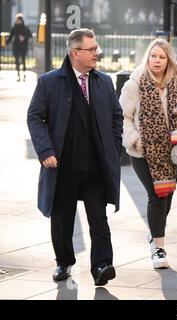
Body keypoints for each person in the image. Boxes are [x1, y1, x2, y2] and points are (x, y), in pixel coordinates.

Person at [27, 29, 123, 285]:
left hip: (95, 167)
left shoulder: (104, 81)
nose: (97, 53)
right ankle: (64, 262)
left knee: (98, 220)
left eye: (96, 48)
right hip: (62, 167)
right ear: (74, 53)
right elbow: (34, 116)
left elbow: (117, 115)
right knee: (62, 219)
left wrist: (113, 146)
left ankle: (102, 266)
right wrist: (45, 150)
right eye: (91, 49)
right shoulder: (49, 82)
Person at [120, 39, 177, 269]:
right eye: (153, 56)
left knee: (167, 194)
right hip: (143, 152)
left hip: (172, 150)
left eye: (162, 57)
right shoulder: (134, 84)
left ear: (168, 60)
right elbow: (122, 117)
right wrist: (135, 140)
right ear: (148, 57)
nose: (157, 60)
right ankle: (159, 249)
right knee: (156, 195)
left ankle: (155, 233)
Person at [7, 13, 32, 82]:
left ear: (21, 20)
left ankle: (24, 74)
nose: (18, 21)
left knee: (23, 60)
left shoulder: (25, 27)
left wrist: (24, 38)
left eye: (19, 20)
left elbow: (30, 35)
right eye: (17, 20)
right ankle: (18, 74)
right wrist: (5, 42)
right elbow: (10, 37)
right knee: (17, 61)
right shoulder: (14, 27)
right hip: (16, 46)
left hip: (23, 46)